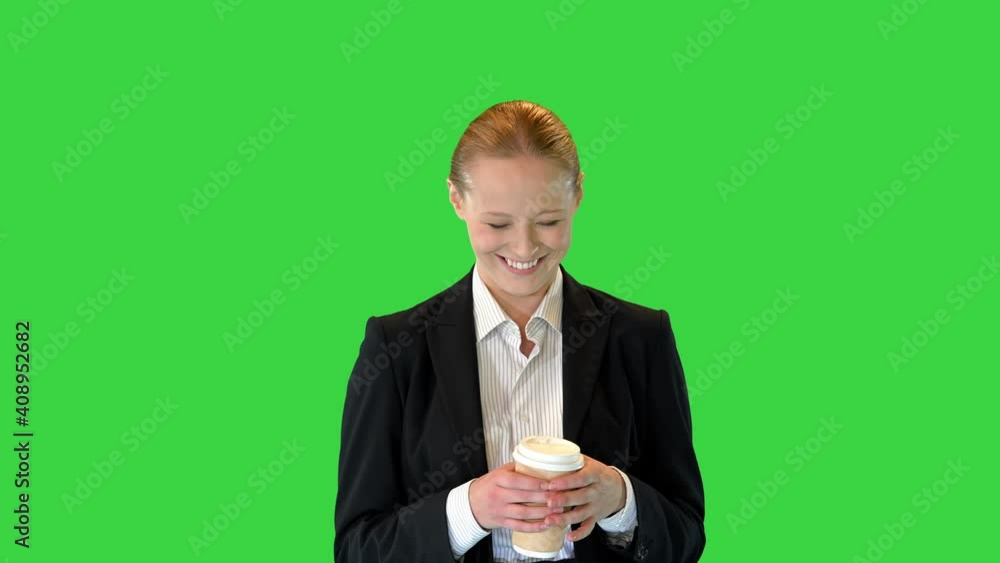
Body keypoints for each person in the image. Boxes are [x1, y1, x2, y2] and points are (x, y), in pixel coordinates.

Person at [335, 100, 705, 562]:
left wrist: (620, 500)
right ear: (456, 199)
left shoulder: (641, 338)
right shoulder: (396, 350)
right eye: (497, 223)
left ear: (577, 195)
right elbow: (357, 548)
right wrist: (469, 511)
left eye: (548, 221)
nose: (524, 247)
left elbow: (686, 534)